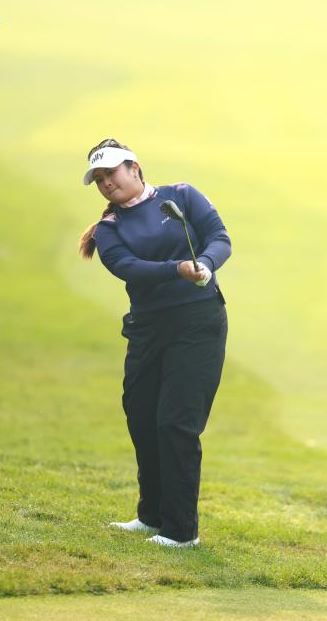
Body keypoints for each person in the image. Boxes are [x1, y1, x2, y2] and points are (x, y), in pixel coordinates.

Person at [78, 138, 230, 548]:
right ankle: (151, 516)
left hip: (198, 323)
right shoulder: (109, 230)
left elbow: (219, 237)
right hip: (148, 329)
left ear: (134, 167)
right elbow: (131, 269)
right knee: (142, 418)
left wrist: (206, 265)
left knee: (176, 423)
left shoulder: (181, 195)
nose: (107, 183)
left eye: (112, 173)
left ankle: (181, 533)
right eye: (99, 179)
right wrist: (178, 268)